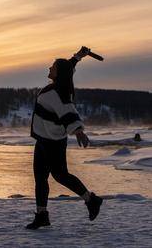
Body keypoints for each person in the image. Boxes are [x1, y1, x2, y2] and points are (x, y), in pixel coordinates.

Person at [25, 46, 103, 230]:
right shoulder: (61, 85)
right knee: (40, 177)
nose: (49, 68)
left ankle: (91, 200)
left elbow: (69, 112)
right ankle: (42, 215)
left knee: (60, 175)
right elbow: (68, 68)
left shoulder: (58, 93)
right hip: (44, 139)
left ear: (58, 73)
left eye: (52, 66)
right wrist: (78, 57)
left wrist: (78, 131)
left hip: (53, 141)